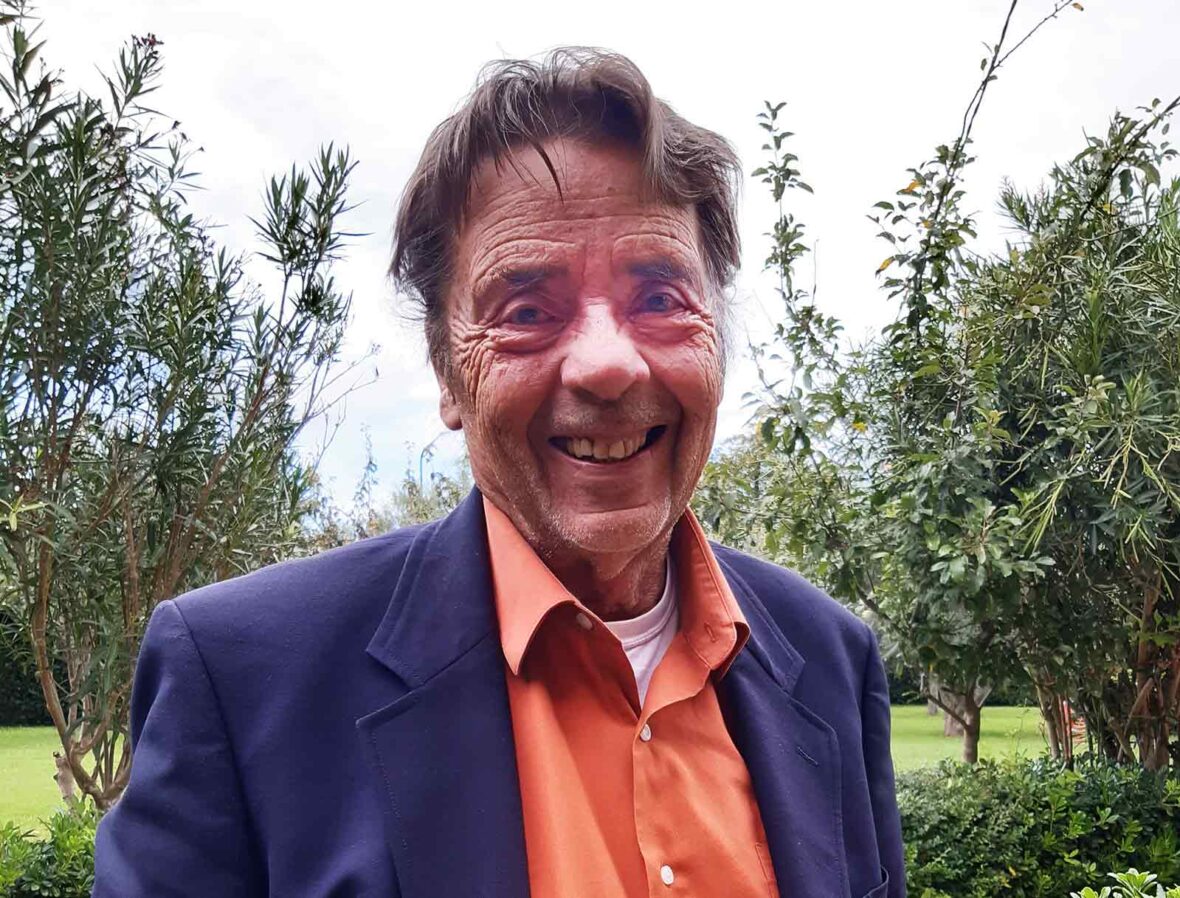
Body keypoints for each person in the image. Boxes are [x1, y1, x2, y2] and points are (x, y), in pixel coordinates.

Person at [93, 48, 905, 898]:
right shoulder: (242, 680)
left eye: (660, 299)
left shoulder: (831, 660)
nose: (607, 364)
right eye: (527, 310)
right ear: (447, 374)